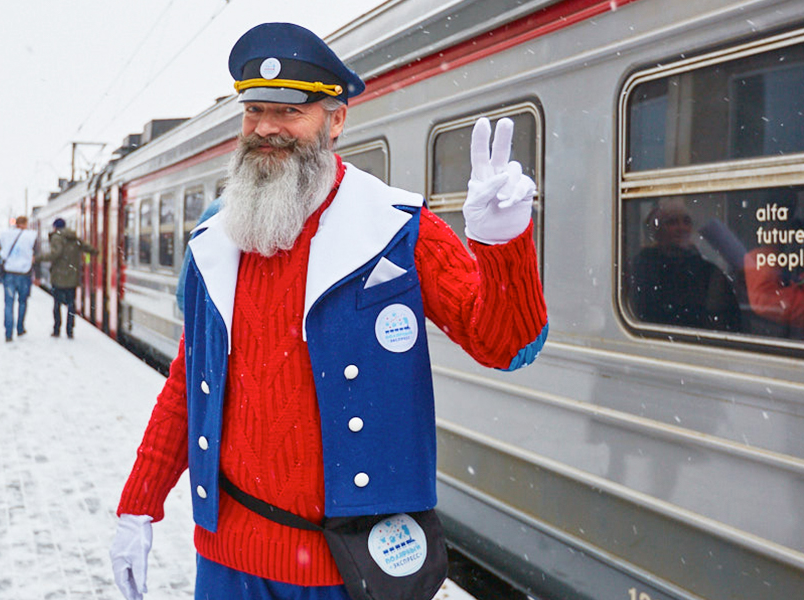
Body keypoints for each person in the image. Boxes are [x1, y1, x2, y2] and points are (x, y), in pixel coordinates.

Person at [110, 23, 547, 600]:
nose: (266, 127)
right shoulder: (217, 240)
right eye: (255, 110)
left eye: (291, 110)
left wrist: (503, 242)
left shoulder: (396, 231)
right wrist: (138, 503)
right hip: (226, 565)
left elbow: (507, 345)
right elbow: (187, 386)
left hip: (347, 572)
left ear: (336, 120)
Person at [629, 198, 740, 332]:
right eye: (672, 222)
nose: (681, 228)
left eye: (686, 221)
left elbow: (731, 322)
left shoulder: (709, 273)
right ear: (656, 231)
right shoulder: (641, 269)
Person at [39, 218, 98, 338]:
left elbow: (56, 253)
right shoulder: (73, 238)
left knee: (57, 305)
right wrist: (96, 252)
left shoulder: (56, 237)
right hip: (72, 277)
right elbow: (87, 248)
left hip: (59, 277)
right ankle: (70, 330)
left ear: (55, 227)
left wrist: (38, 258)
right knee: (71, 305)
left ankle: (57, 329)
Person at [0, 216, 38, 342]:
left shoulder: (5, 235)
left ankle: (8, 333)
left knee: (9, 304)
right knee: (22, 302)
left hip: (9, 273)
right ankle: (20, 328)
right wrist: (38, 275)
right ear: (25, 224)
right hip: (24, 274)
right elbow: (36, 256)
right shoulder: (31, 236)